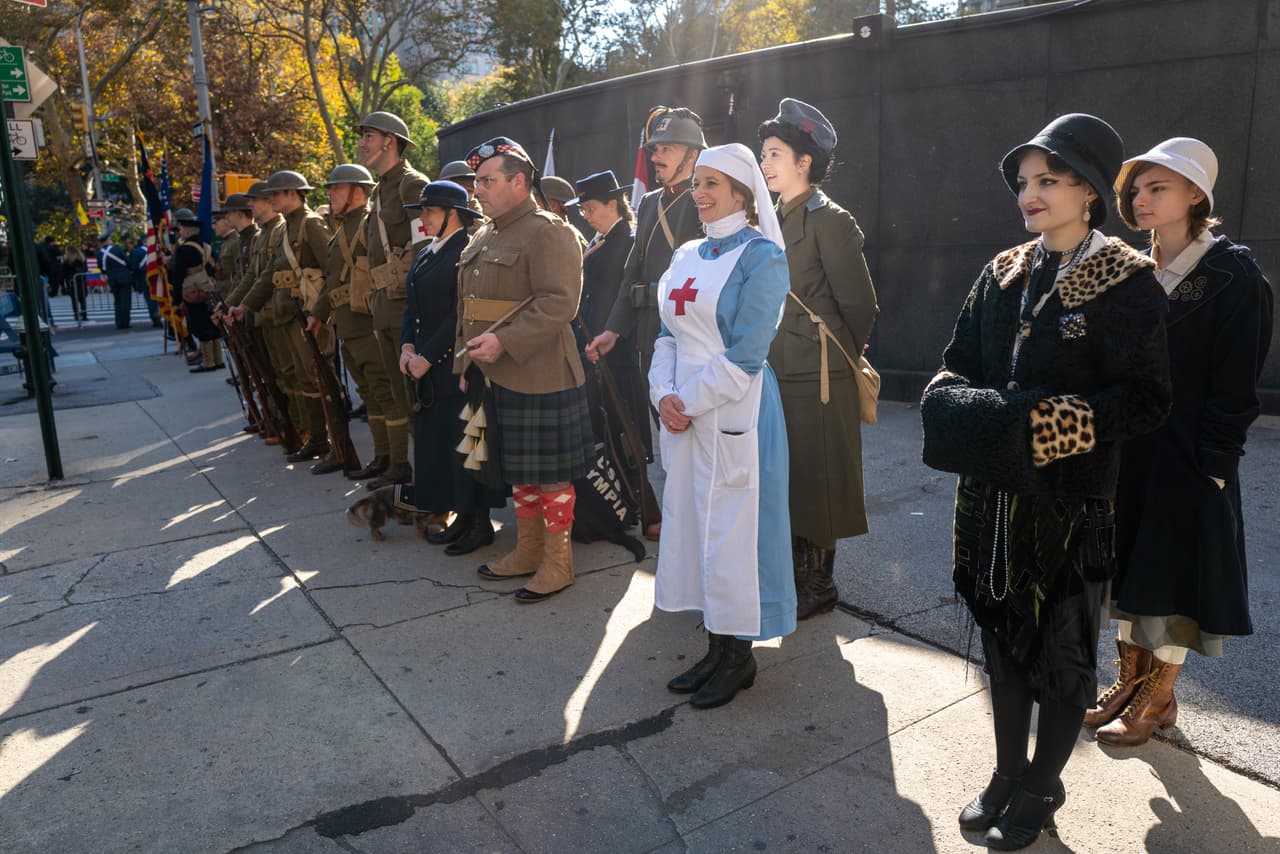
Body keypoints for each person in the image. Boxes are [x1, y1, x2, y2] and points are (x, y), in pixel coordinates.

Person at [919, 114, 1171, 849]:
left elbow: (1147, 400)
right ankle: (1008, 771)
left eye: (1049, 179)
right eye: (1025, 181)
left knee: (1061, 657)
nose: (1030, 193)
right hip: (991, 498)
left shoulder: (1128, 281)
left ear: (1088, 190)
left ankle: (1042, 786)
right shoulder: (1001, 273)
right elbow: (956, 365)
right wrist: (963, 407)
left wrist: (1047, 425)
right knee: (1000, 642)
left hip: (1069, 504)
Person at [1086, 138, 1274, 746]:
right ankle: (1128, 682)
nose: (1140, 199)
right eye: (1136, 189)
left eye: (1157, 187)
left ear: (1196, 194)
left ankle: (1159, 697)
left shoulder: (1233, 277)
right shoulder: (1128, 268)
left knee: (1174, 582)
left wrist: (1214, 466)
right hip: (1128, 451)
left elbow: (1237, 387)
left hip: (1188, 458)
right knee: (1125, 572)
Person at [649, 143, 795, 710]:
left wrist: (683, 400)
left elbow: (747, 355)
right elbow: (668, 336)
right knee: (695, 527)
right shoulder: (686, 253)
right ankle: (715, 648)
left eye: (712, 183)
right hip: (685, 414)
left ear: (742, 193)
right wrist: (663, 394)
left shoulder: (763, 258)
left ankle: (740, 658)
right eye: (697, 183)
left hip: (738, 410)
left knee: (734, 535)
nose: (700, 193)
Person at [758, 98, 880, 620]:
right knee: (788, 476)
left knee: (819, 478)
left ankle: (819, 583)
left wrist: (835, 355)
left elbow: (860, 305)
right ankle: (793, 573)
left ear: (804, 161)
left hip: (819, 372)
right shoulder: (771, 218)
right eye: (764, 153)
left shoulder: (829, 220)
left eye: (775, 154)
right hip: (777, 369)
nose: (765, 163)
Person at [457, 136, 593, 603]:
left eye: (487, 181)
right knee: (520, 471)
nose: (478, 189)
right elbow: (469, 306)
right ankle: (529, 550)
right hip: (493, 373)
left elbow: (560, 303)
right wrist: (464, 360)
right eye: (477, 181)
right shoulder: (485, 234)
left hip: (541, 372)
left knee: (551, 474)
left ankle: (558, 562)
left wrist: (505, 341)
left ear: (519, 182)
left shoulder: (548, 231)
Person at [585, 106, 707, 540]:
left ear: (692, 154)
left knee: (696, 433)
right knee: (667, 433)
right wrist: (613, 329)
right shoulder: (651, 201)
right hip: (648, 338)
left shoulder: (706, 199)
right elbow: (631, 273)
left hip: (692, 336)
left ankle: (701, 520)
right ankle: (681, 517)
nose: (655, 157)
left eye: (666, 148)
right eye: (654, 149)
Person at [399, 180, 506, 554]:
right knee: (444, 446)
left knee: (470, 446)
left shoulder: (466, 251)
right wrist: (407, 346)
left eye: (430, 211)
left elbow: (459, 314)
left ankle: (479, 523)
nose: (423, 218)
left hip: (458, 366)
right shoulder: (428, 252)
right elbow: (412, 308)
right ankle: (461, 515)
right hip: (428, 369)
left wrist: (427, 357)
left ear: (454, 214)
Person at [308, 164, 398, 476]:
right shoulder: (342, 229)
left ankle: (398, 463)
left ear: (358, 191)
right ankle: (382, 457)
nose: (330, 193)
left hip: (368, 324)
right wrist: (318, 314)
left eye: (337, 187)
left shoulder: (370, 224)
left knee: (386, 394)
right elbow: (333, 279)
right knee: (370, 395)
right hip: (348, 325)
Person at [356, 111, 430, 489]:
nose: (361, 144)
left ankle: (432, 483)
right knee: (398, 395)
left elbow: (428, 249)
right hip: (384, 306)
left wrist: (419, 312)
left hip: (407, 309)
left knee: (418, 399)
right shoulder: (378, 190)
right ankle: (405, 469)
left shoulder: (411, 185)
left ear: (390, 140)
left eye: (368, 136)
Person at [238, 171, 333, 460]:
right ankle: (315, 437)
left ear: (293, 193)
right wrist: (245, 306)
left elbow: (332, 271)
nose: (271, 199)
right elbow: (269, 274)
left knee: (317, 377)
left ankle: (332, 439)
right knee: (301, 378)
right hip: (289, 314)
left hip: (308, 315)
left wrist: (319, 313)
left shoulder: (311, 224)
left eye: (276, 194)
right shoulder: (284, 229)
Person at [567, 170, 648, 486]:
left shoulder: (626, 241)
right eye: (583, 210)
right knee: (603, 433)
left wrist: (600, 337)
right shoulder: (600, 241)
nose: (586, 217)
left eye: (591, 209)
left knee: (623, 432)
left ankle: (634, 493)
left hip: (614, 349)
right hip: (593, 345)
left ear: (613, 204)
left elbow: (615, 297)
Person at [167, 208, 224, 373]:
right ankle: (218, 359)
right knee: (212, 325)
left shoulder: (184, 250)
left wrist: (176, 299)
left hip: (193, 292)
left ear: (187, 230)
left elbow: (178, 275)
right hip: (209, 289)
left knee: (200, 326)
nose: (179, 233)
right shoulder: (205, 246)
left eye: (180, 229)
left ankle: (208, 362)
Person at [99, 233, 134, 329]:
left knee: (117, 301)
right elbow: (127, 261)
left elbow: (102, 268)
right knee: (125, 301)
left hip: (112, 279)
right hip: (124, 278)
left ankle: (118, 322)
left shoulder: (99, 253)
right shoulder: (117, 249)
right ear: (107, 241)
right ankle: (125, 322)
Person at [129, 238, 159, 327]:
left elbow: (134, 267)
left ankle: (155, 317)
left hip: (144, 278)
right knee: (157, 296)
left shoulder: (137, 252)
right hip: (157, 277)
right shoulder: (156, 250)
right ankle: (157, 313)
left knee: (149, 298)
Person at [62, 245, 88, 323]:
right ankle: (84, 315)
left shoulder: (67, 260)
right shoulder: (82, 258)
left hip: (72, 282)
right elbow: (85, 269)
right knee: (82, 299)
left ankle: (76, 315)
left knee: (74, 300)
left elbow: (64, 272)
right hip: (81, 281)